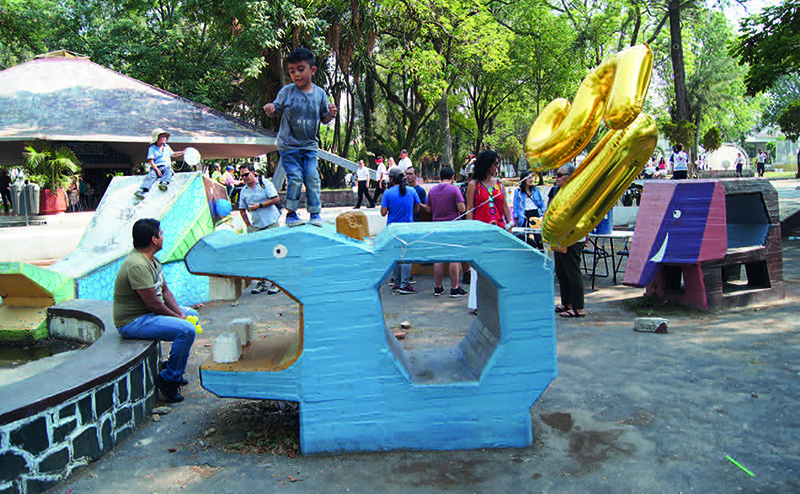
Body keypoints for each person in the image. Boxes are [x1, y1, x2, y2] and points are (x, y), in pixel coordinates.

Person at [113, 218, 197, 402]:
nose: (163, 236)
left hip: (148, 314)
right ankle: (169, 379)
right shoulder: (137, 265)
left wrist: (181, 314)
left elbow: (165, 292)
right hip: (133, 322)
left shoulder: (152, 260)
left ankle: (173, 365)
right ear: (154, 239)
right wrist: (179, 319)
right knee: (186, 330)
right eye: (161, 234)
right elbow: (154, 305)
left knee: (192, 315)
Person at [263, 47, 337, 227]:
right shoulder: (287, 92)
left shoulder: (319, 93)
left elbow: (324, 118)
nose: (296, 74)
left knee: (312, 177)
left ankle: (315, 213)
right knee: (295, 177)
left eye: (301, 69)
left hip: (310, 145)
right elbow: (275, 109)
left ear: (312, 70)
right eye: (292, 71)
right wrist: (270, 109)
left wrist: (331, 114)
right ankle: (291, 214)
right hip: (289, 145)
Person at [465, 150, 513, 314]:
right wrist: (470, 231)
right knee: (480, 269)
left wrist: (510, 226)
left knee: (498, 267)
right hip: (480, 232)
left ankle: (497, 302)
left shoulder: (500, 183)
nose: (497, 167)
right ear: (487, 165)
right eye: (495, 164)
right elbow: (469, 210)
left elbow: (505, 206)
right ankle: (478, 303)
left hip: (499, 231)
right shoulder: (473, 185)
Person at [236, 163, 281, 295]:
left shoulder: (264, 184)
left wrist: (260, 205)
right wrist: (248, 225)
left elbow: (276, 199)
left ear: (253, 172)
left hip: (270, 222)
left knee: (275, 253)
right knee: (259, 255)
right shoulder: (244, 190)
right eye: (242, 176)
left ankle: (276, 282)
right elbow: (241, 209)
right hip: (256, 226)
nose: (244, 178)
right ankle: (262, 282)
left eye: (246, 174)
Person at [550, 165, 585, 318]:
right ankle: (567, 302)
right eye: (555, 175)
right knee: (561, 271)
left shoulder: (577, 192)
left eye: (559, 175)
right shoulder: (557, 191)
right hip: (560, 236)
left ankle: (579, 307)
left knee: (572, 271)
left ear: (570, 176)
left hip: (573, 235)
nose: (556, 178)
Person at [426, 166, 467, 297]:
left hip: (437, 226)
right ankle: (454, 288)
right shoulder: (455, 189)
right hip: (453, 226)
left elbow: (428, 209)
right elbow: (462, 208)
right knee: (453, 258)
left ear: (440, 177)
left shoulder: (432, 191)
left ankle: (438, 287)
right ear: (453, 177)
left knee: (438, 259)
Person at [381, 167, 420, 294]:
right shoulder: (412, 190)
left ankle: (397, 283)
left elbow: (383, 212)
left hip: (392, 229)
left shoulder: (388, 193)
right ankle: (405, 284)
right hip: (408, 227)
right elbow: (417, 208)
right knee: (406, 256)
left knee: (396, 256)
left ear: (391, 179)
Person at [134, 128, 185, 200]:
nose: (164, 138)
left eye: (165, 137)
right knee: (151, 176)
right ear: (157, 138)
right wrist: (157, 170)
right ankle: (141, 190)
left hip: (166, 166)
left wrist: (182, 152)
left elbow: (173, 154)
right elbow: (151, 161)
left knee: (169, 172)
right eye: (162, 136)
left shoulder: (166, 147)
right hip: (156, 167)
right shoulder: (152, 148)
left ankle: (164, 183)